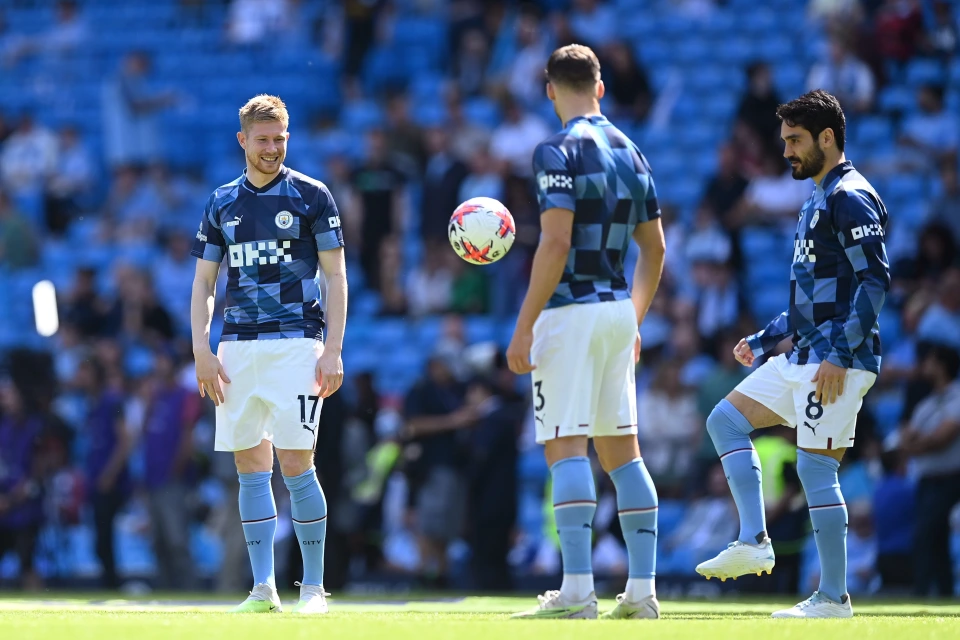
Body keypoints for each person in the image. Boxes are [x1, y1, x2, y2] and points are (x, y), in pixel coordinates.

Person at [695, 90, 890, 619]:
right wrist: (763, 340)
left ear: (828, 138)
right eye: (784, 141)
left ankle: (833, 598)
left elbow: (875, 280)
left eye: (796, 140)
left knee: (814, 470)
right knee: (725, 421)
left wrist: (842, 354)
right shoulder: (816, 197)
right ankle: (755, 540)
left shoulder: (850, 196)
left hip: (836, 359)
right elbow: (813, 298)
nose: (787, 152)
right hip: (804, 352)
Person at [506, 44, 666, 620]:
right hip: (617, 308)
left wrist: (523, 326)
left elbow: (554, 242)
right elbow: (655, 251)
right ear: (600, 87)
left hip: (569, 311)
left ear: (550, 89)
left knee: (566, 445)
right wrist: (635, 319)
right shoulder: (633, 150)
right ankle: (642, 592)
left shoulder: (555, 149)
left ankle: (577, 592)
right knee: (624, 452)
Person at [190, 95, 347, 614]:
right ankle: (263, 590)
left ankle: (315, 589)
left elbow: (336, 276)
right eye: (263, 139)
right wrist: (202, 349)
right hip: (237, 346)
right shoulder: (221, 203)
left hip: (298, 344)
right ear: (243, 140)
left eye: (280, 139)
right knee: (250, 465)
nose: (272, 148)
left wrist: (333, 350)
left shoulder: (311, 195)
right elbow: (205, 282)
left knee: (298, 463)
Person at [898, 344, 960, 597]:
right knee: (935, 537)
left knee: (927, 532)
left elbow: (942, 437)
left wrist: (918, 445)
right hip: (927, 479)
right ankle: (942, 592)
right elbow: (905, 439)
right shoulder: (927, 403)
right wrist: (920, 444)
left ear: (943, 365)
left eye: (930, 361)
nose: (925, 366)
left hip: (951, 477)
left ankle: (922, 590)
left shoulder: (956, 396)